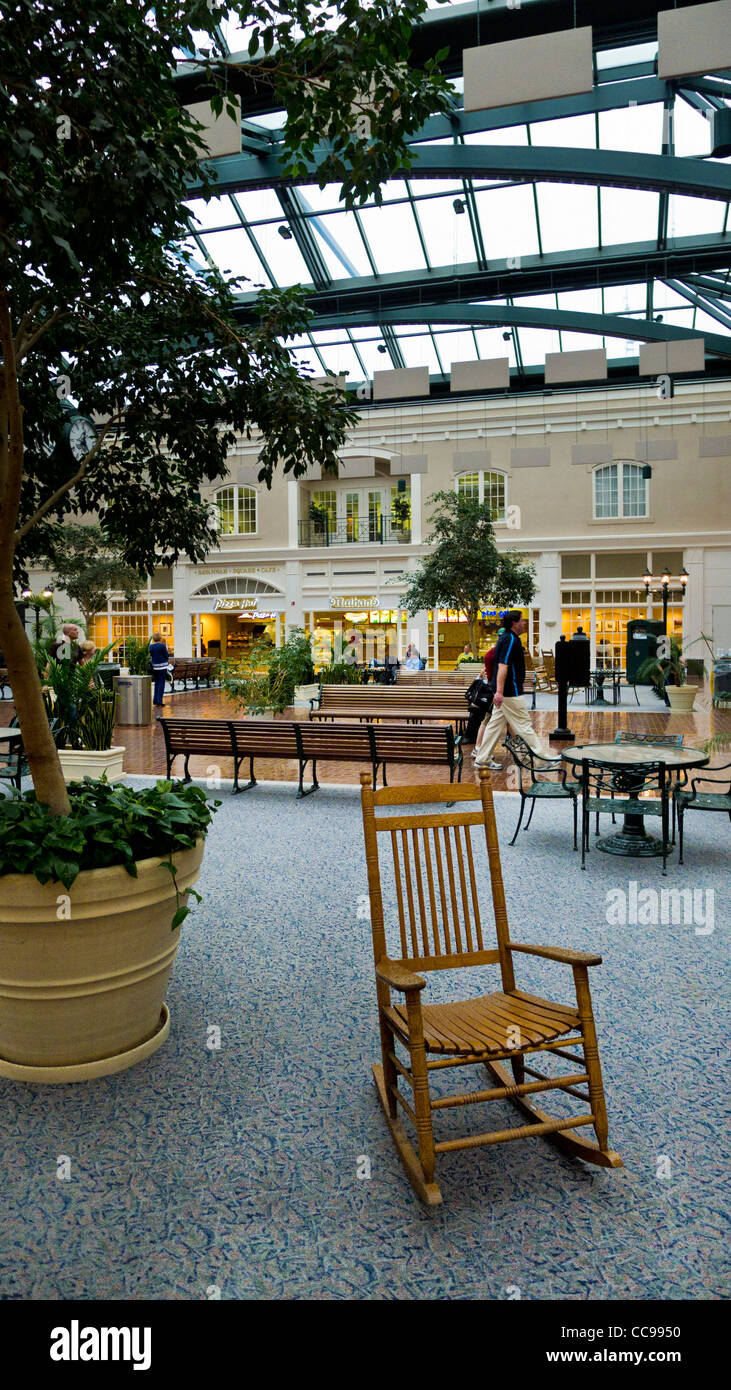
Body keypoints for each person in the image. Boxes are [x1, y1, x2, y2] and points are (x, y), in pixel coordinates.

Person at [474, 611, 561, 771]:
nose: (524, 623)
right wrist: (500, 692)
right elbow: (502, 666)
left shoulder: (507, 638)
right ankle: (541, 760)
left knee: (494, 725)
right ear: (514, 623)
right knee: (524, 725)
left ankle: (482, 758)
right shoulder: (510, 640)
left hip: (507, 691)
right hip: (509, 693)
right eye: (521, 621)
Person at [149, 630, 170, 707]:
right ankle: (159, 701)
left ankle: (155, 700)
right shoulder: (162, 646)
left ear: (153, 639)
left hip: (155, 667)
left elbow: (151, 655)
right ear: (160, 638)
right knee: (161, 683)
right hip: (162, 667)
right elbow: (166, 655)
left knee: (157, 683)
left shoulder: (151, 646)